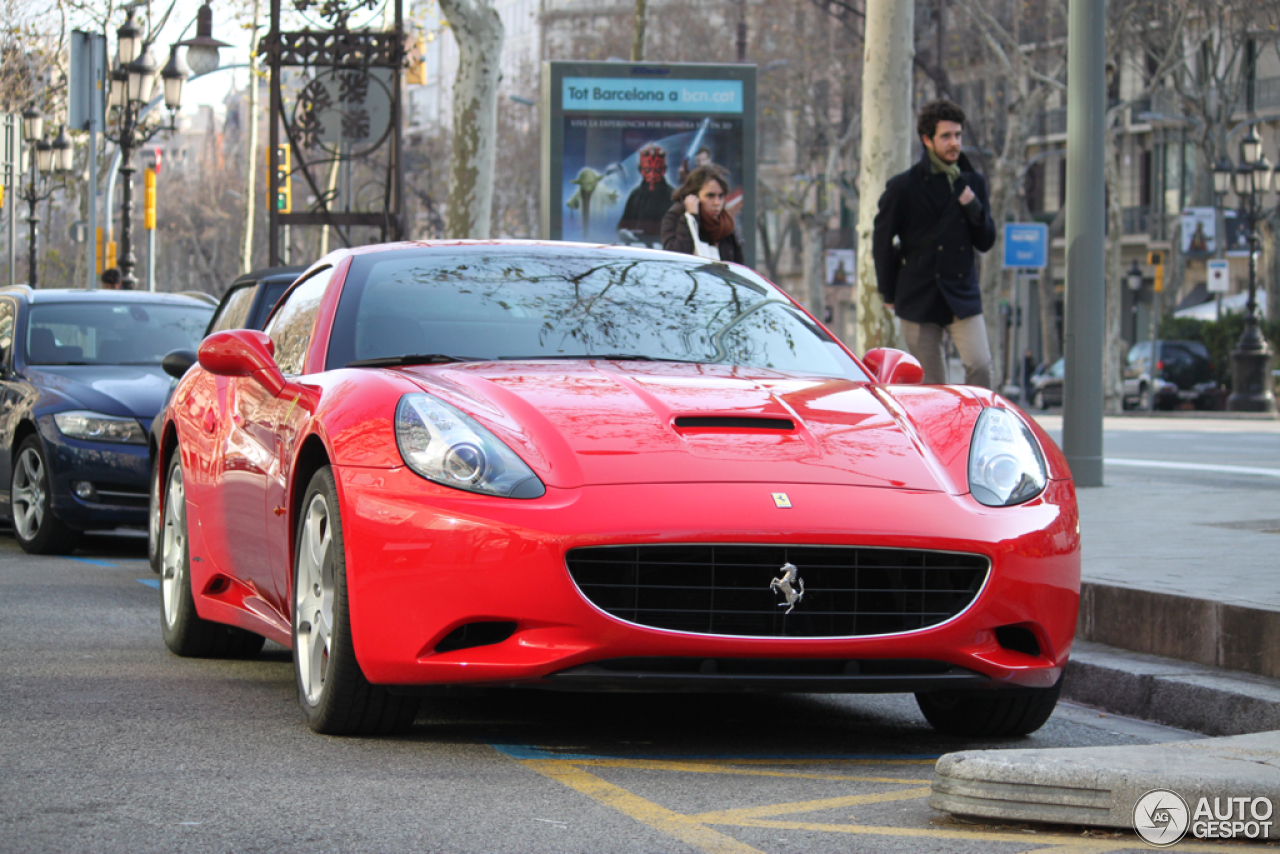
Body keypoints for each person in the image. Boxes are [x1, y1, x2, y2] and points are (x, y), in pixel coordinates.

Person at [872, 99, 996, 387]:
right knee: (932, 386)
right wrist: (888, 291)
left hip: (962, 293)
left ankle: (977, 426)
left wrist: (974, 207)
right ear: (928, 140)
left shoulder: (973, 182)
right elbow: (882, 239)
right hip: (918, 295)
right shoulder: (904, 186)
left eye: (958, 135)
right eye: (946, 136)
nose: (954, 143)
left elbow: (987, 241)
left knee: (980, 366)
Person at [660, 165, 744, 264]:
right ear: (694, 196)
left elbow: (738, 266)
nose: (717, 202)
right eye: (710, 196)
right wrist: (690, 218)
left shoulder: (726, 223)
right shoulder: (675, 217)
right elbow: (675, 258)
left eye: (720, 196)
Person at [617, 143, 675, 246]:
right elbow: (623, 225)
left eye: (656, 170)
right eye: (648, 170)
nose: (652, 175)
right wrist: (624, 233)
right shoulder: (635, 195)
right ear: (640, 169)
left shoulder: (673, 196)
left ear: (663, 169)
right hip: (638, 250)